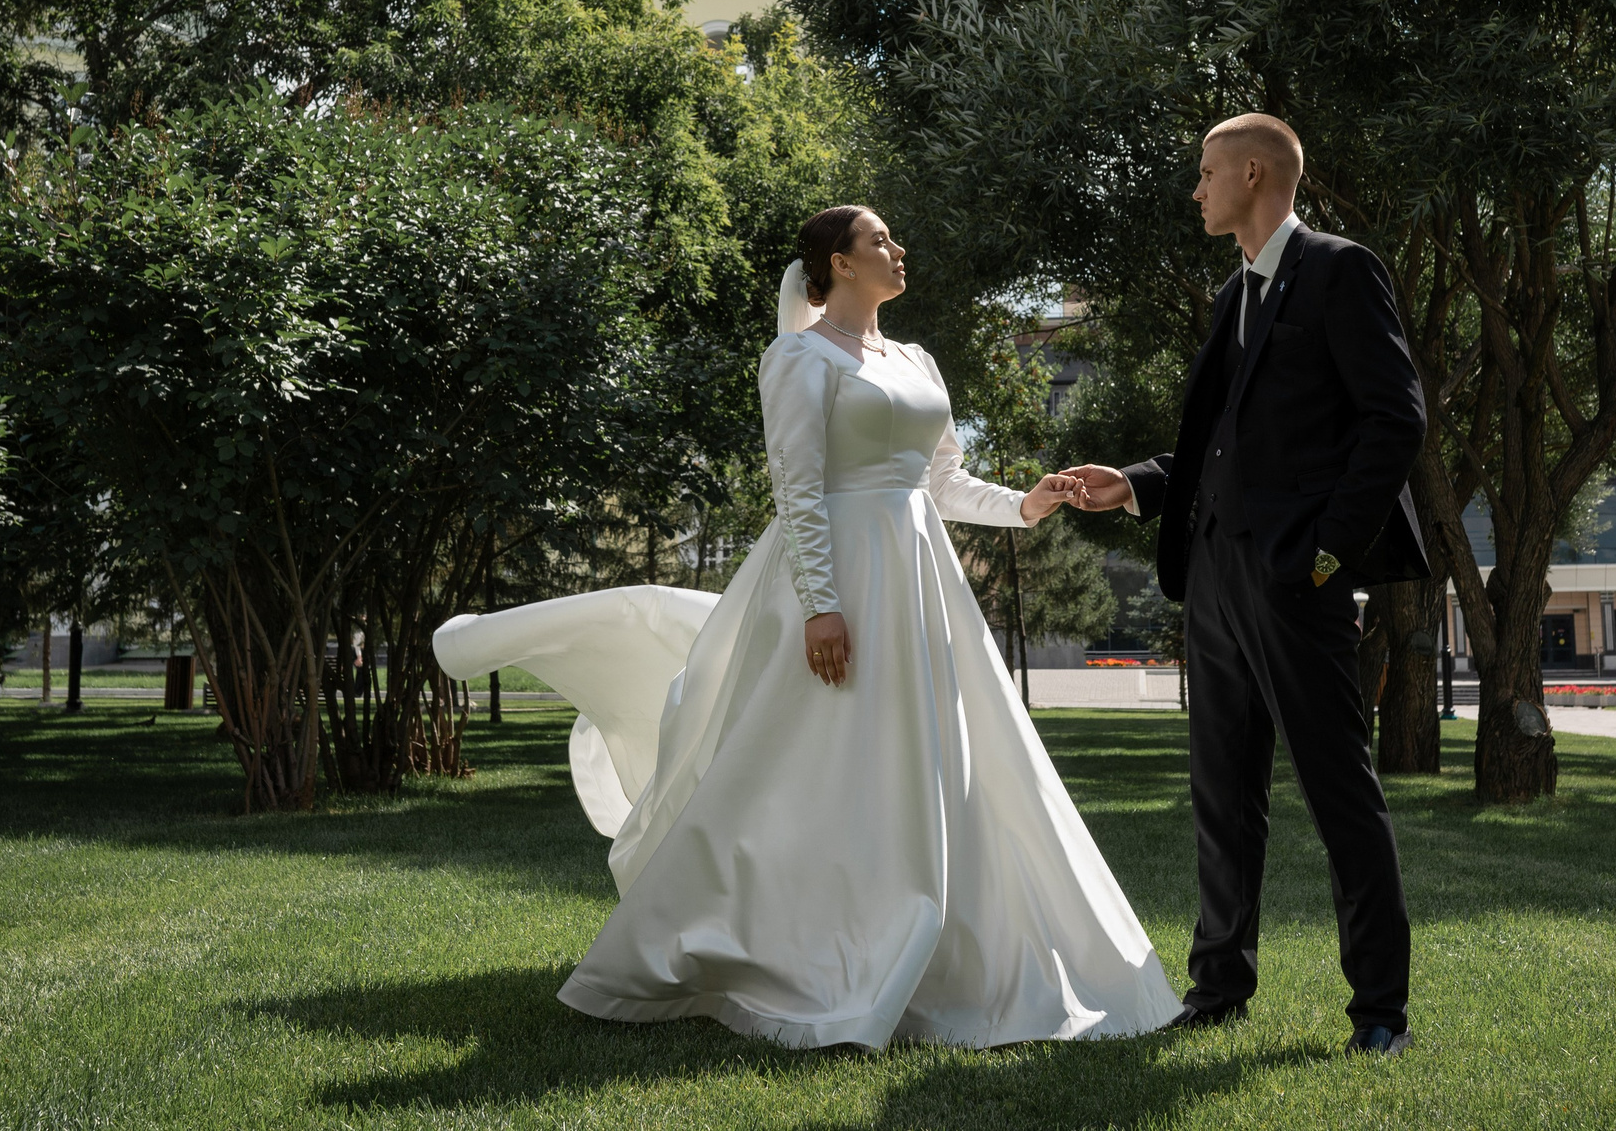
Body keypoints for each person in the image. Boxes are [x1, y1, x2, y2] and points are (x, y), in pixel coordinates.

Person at [435, 205, 1179, 1050]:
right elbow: (797, 487)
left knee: (940, 757)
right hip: (837, 578)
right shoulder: (798, 357)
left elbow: (942, 482)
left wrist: (1025, 504)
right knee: (810, 761)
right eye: (880, 241)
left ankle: (945, 948)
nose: (899, 248)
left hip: (920, 582)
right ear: (840, 263)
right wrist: (822, 605)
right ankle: (779, 944)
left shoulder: (916, 359)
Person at [1065, 113, 1430, 1057]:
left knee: (1338, 788)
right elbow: (1224, 442)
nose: (1196, 190)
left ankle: (1380, 1012)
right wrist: (1135, 485)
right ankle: (1219, 985)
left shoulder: (1341, 269)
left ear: (1255, 172)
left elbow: (1395, 420)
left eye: (1206, 172)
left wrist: (1325, 554)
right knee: (1222, 793)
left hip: (1295, 578)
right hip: (1215, 576)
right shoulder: (1236, 291)